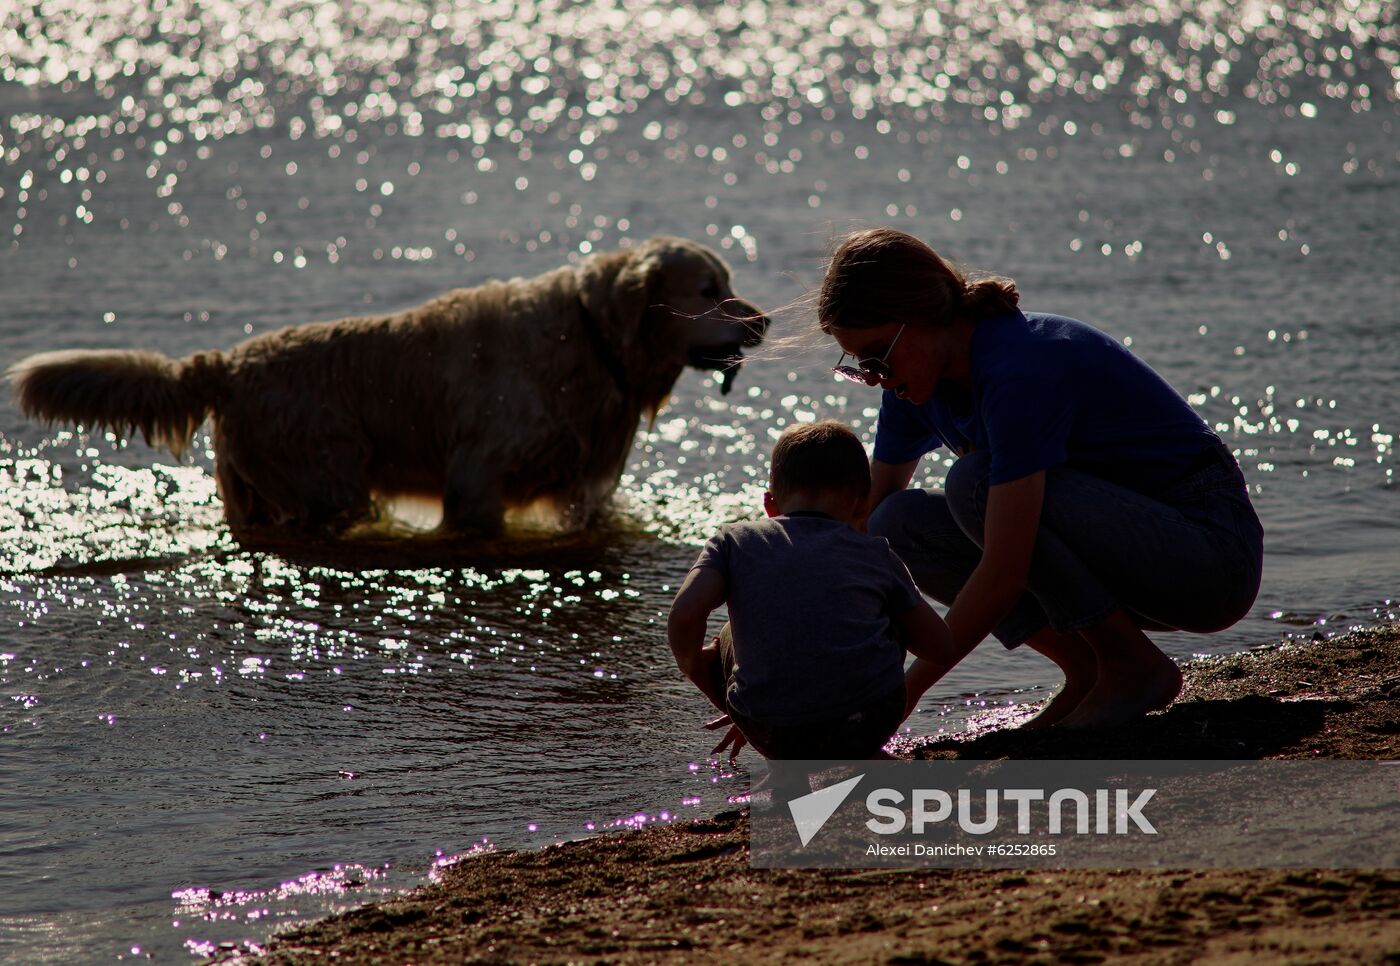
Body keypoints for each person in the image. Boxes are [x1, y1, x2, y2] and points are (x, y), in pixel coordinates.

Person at [820, 228, 1264, 728]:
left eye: (878, 355)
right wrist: (799, 663)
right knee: (894, 522)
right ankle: (1088, 666)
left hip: (1208, 555)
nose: (875, 376)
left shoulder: (1019, 368)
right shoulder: (912, 385)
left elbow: (1005, 570)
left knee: (974, 484)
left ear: (923, 316)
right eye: (860, 365)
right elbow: (857, 537)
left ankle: (1131, 666)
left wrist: (897, 697)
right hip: (1128, 553)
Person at [667, 420, 952, 761]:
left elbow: (684, 616)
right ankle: (860, 754)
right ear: (863, 505)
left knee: (731, 633)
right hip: (869, 721)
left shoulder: (732, 540)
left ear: (770, 504)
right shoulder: (875, 554)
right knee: (885, 610)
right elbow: (941, 648)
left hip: (767, 727)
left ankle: (784, 765)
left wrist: (694, 667)